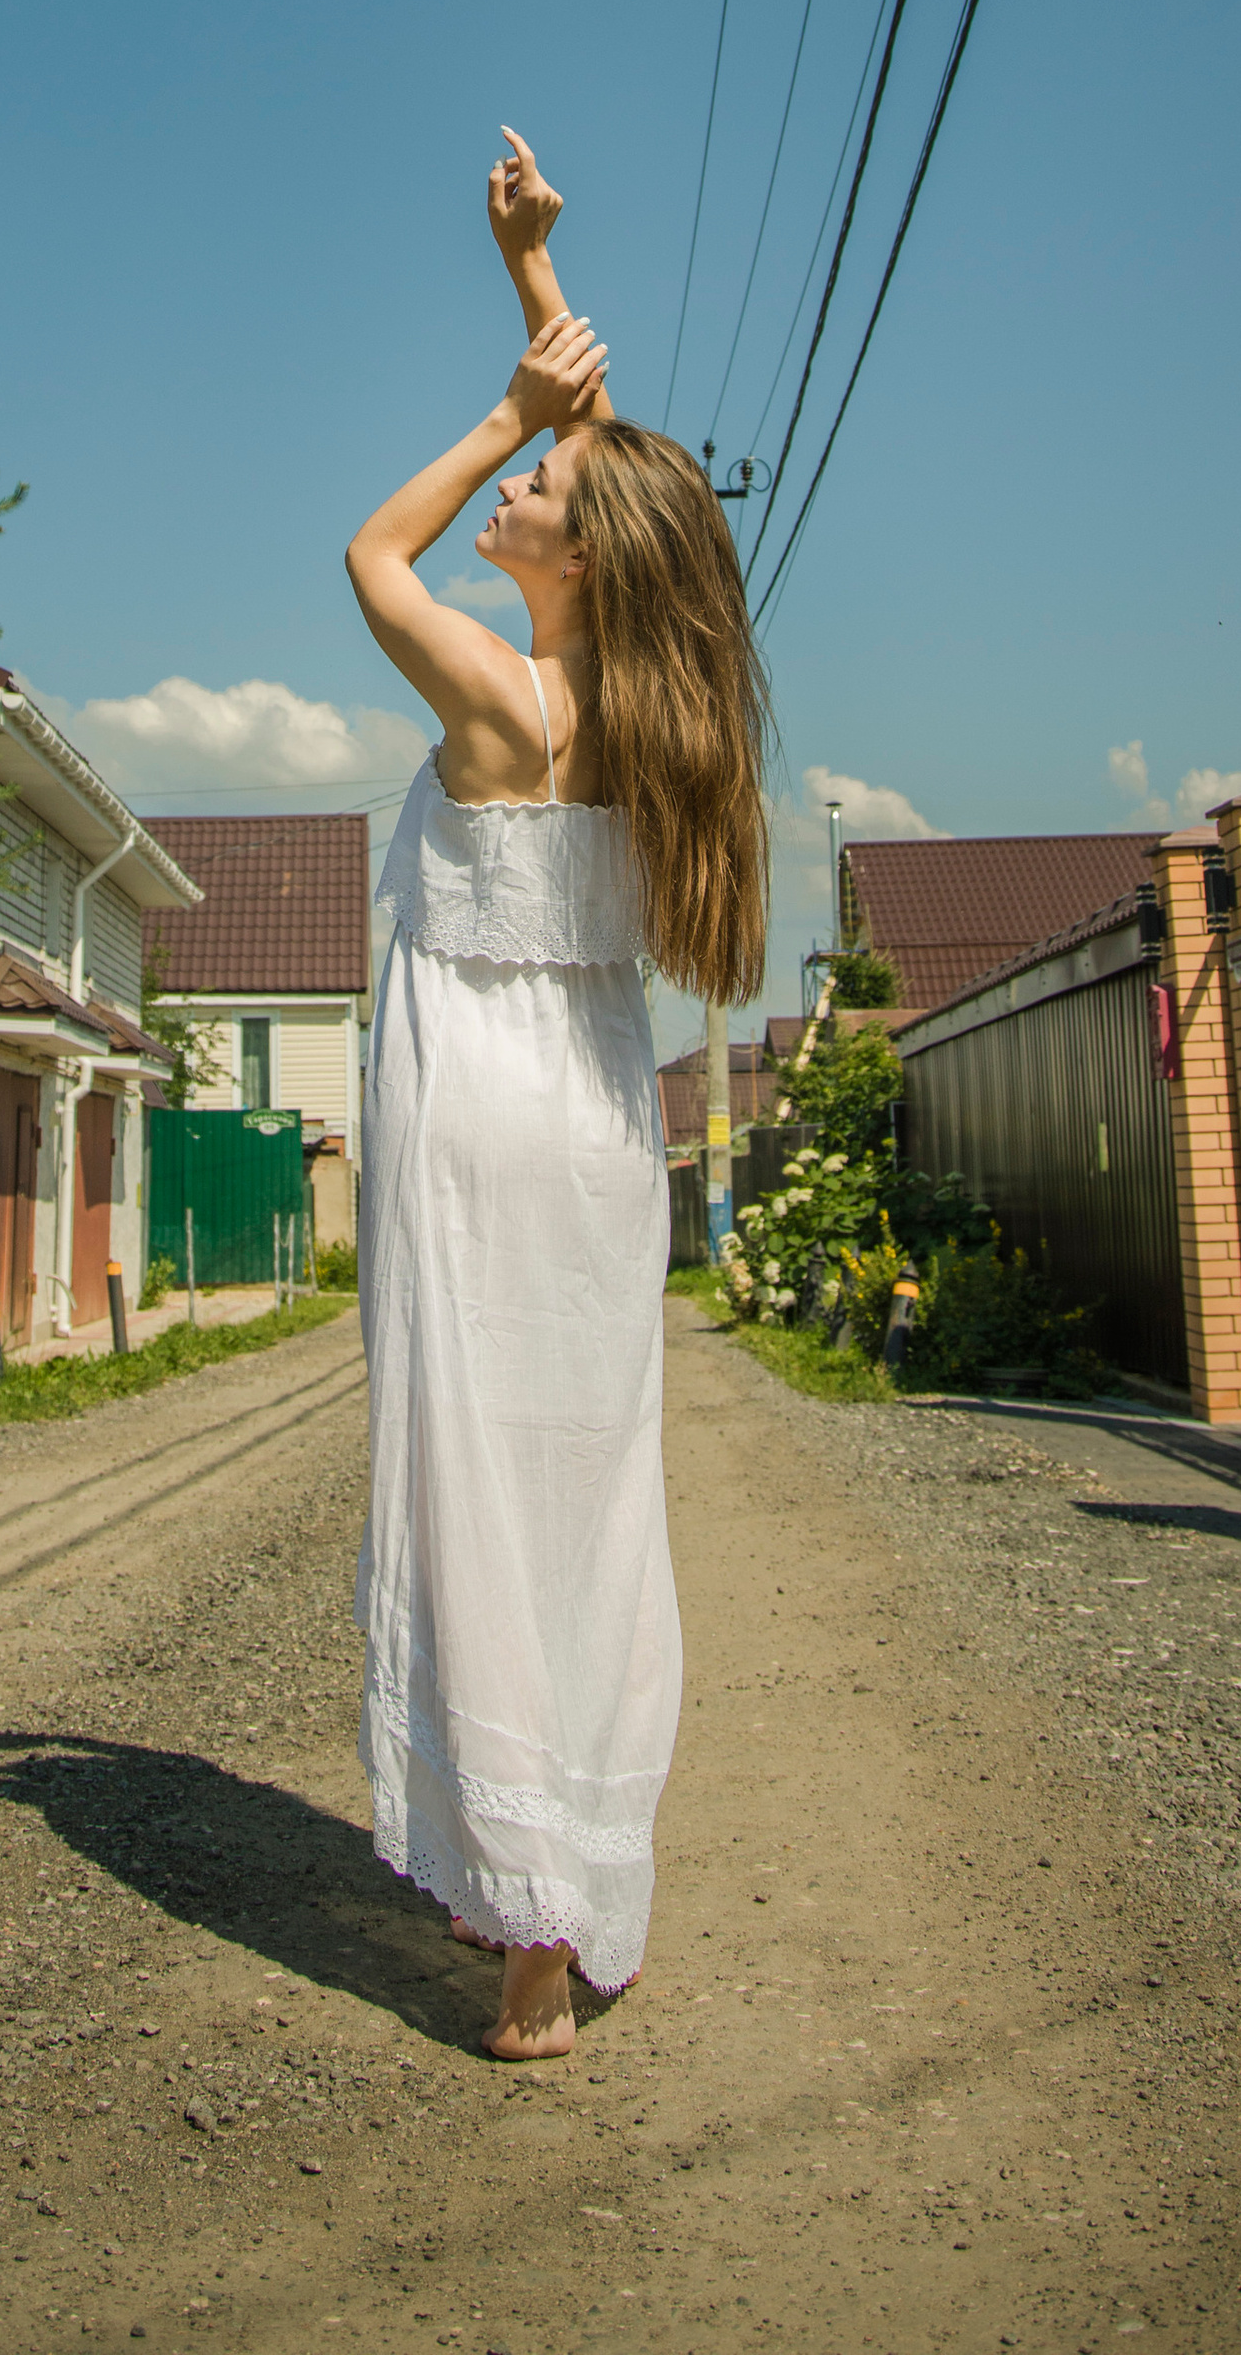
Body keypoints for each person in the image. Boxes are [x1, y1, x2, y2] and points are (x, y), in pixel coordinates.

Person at [344, 129, 770, 2061]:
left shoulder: (502, 707)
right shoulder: (642, 730)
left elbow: (366, 553)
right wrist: (530, 276)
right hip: (603, 1142)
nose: (518, 481)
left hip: (477, 1136)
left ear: (577, 554)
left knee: (478, 1501)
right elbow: (617, 468)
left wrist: (495, 404)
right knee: (594, 1507)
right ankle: (573, 1890)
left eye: (538, 485)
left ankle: (526, 1936)